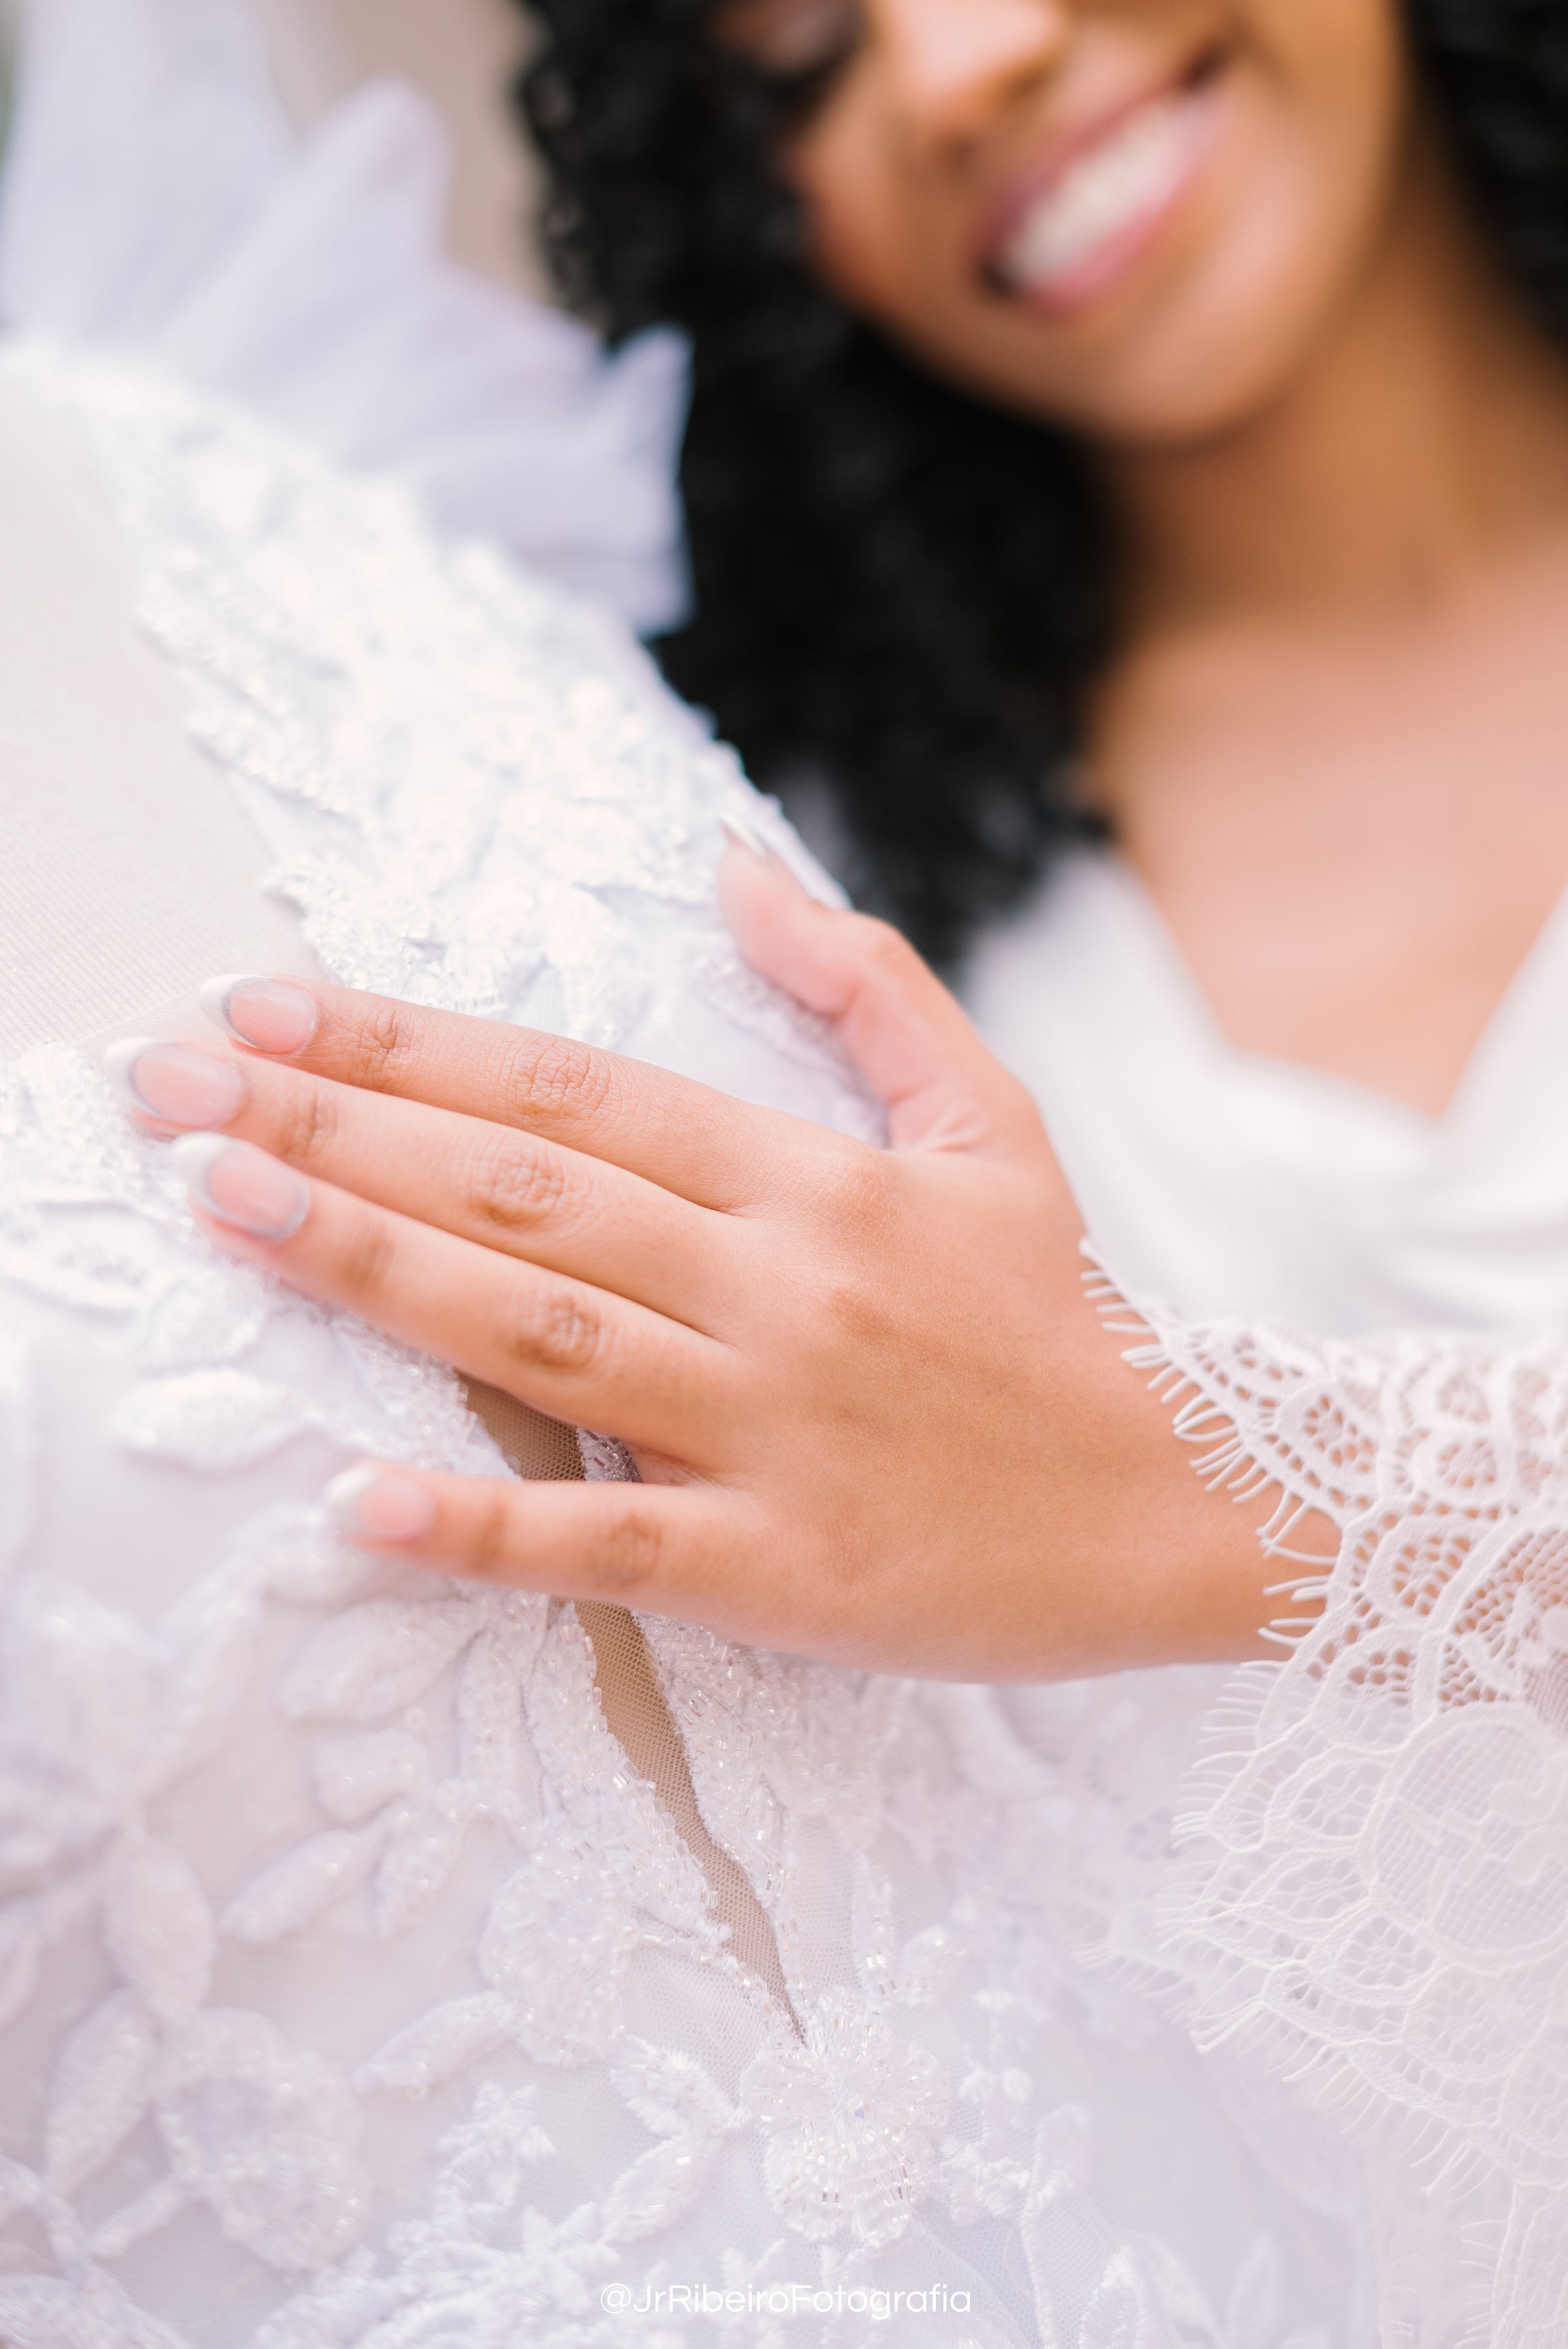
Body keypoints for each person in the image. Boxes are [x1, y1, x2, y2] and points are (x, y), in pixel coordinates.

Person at [109, 1, 1568, 2339]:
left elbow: (1146, 1508)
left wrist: (1220, 1501)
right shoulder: (819, 912)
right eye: (796, 59)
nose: (966, 63)